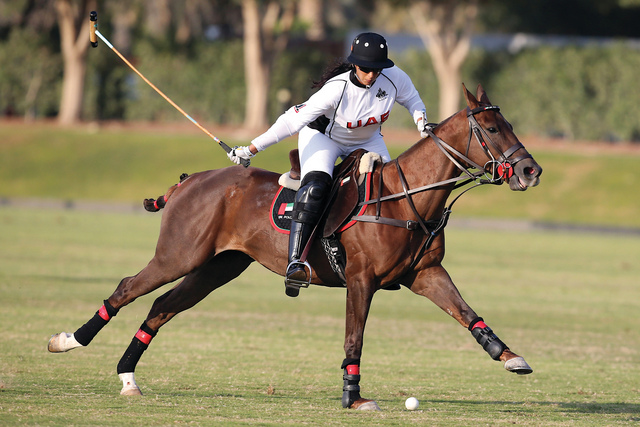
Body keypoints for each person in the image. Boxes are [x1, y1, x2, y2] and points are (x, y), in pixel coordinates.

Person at [228, 32, 430, 297]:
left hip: (368, 140)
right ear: (354, 63)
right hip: (324, 138)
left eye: (377, 69)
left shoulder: (394, 78)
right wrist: (251, 148)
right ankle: (296, 261)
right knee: (316, 188)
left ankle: (389, 261)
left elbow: (413, 99)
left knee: (391, 192)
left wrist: (422, 124)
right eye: (366, 69)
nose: (371, 75)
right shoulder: (336, 88)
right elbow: (292, 121)